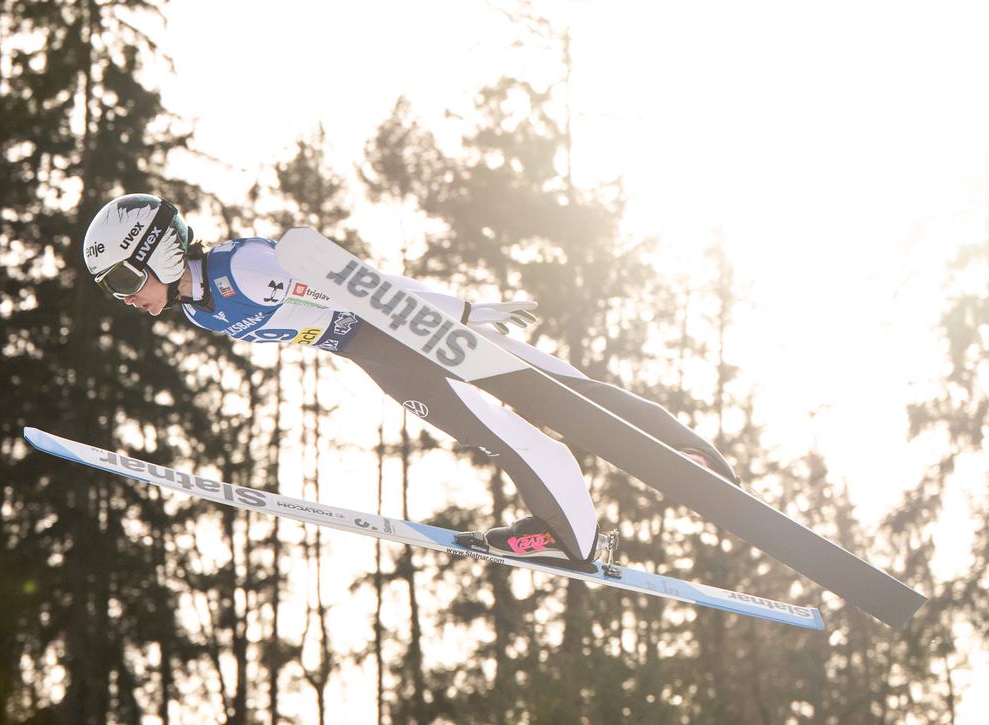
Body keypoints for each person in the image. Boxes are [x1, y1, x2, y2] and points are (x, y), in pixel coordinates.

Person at [82, 193, 739, 568]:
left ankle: (684, 454)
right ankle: (570, 532)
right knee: (498, 435)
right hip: (377, 357)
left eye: (123, 279)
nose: (125, 297)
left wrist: (459, 311)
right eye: (111, 290)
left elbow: (360, 283)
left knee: (557, 391)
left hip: (407, 331)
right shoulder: (200, 306)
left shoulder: (245, 268)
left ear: (157, 249)